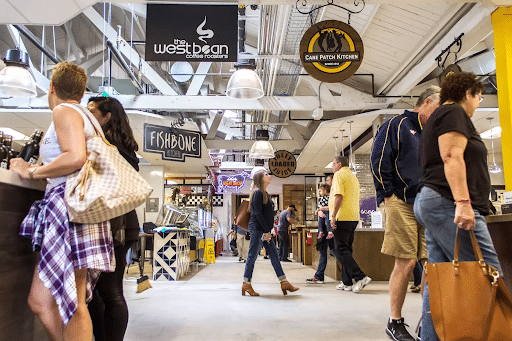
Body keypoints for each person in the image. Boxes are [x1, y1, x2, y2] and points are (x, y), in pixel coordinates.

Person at [10, 62, 115, 341]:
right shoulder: (86, 116)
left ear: (52, 87)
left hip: (69, 206)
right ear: (81, 92)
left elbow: (74, 157)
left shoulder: (64, 110)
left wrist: (31, 170)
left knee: (71, 303)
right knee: (47, 301)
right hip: (78, 208)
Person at [413, 72, 503, 341]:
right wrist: (463, 203)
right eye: (478, 96)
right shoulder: (454, 113)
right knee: (487, 273)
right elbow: (451, 156)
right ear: (468, 93)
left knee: (442, 281)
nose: (479, 102)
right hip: (448, 203)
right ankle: (495, 334)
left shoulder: (438, 118)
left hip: (434, 202)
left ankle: (430, 337)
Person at [370, 86, 440, 341]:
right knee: (407, 261)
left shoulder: (431, 133)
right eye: (438, 109)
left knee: (431, 265)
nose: (440, 115)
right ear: (426, 102)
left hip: (426, 203)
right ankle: (394, 321)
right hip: (400, 200)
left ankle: (430, 322)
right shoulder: (396, 124)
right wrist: (387, 194)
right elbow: (379, 160)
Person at [85, 96, 140, 341]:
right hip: (123, 224)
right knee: (105, 291)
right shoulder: (124, 149)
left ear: (107, 117)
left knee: (107, 292)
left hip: (112, 225)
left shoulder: (107, 148)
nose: (87, 115)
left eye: (92, 111)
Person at [242, 167, 299, 296]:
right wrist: (266, 231)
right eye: (266, 174)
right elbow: (257, 214)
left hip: (263, 229)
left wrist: (270, 229)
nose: (269, 176)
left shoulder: (264, 193)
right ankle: (246, 283)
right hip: (258, 230)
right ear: (260, 178)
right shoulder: (257, 193)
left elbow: (265, 214)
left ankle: (283, 281)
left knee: (274, 255)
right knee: (252, 255)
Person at [330, 156, 371, 293]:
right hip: (353, 217)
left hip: (342, 216)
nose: (332, 167)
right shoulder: (353, 177)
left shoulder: (338, 175)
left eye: (333, 164)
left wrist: (333, 216)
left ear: (339, 164)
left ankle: (360, 277)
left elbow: (339, 196)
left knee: (340, 249)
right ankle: (346, 282)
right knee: (346, 249)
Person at [306, 183, 333, 284]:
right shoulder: (322, 199)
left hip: (331, 228)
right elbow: (317, 210)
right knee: (322, 252)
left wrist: (321, 210)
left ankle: (349, 275)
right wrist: (318, 211)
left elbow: (333, 207)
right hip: (323, 229)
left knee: (336, 251)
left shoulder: (333, 196)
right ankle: (319, 276)